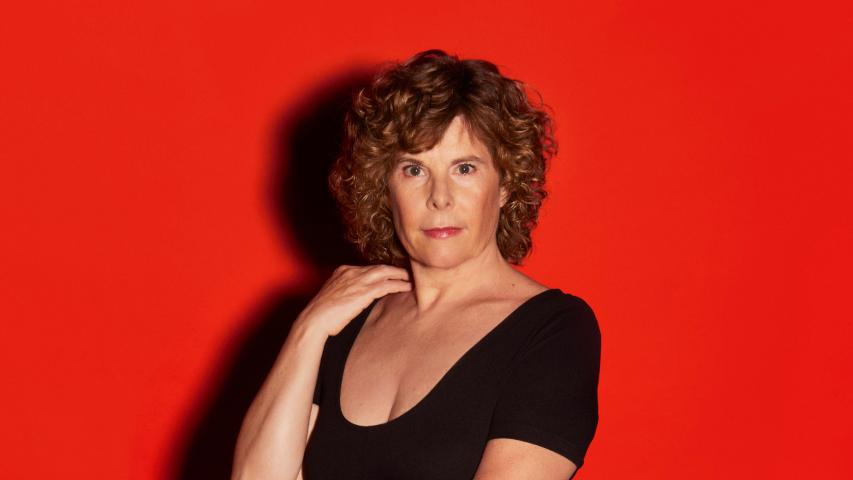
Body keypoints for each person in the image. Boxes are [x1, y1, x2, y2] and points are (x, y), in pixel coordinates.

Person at [232, 49, 601, 480]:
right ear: (384, 187)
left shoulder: (552, 331)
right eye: (413, 170)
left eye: (464, 168)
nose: (439, 198)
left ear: (504, 184)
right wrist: (308, 331)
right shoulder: (345, 320)